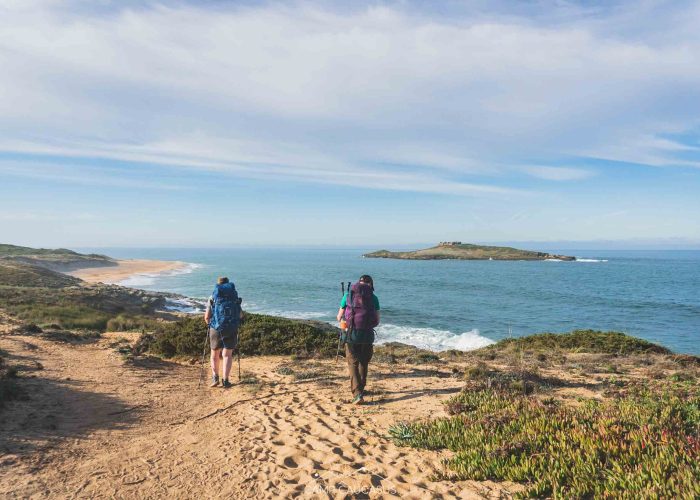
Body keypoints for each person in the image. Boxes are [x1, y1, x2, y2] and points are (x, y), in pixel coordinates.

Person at [336, 275, 380, 404]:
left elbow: (339, 317)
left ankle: (357, 393)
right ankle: (361, 389)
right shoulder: (374, 298)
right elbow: (376, 321)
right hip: (367, 335)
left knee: (352, 363)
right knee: (363, 363)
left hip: (351, 334)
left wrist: (345, 321)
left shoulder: (348, 296)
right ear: (371, 285)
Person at [204, 277, 242, 388]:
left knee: (214, 354)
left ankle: (215, 377)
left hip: (215, 328)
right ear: (229, 284)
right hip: (231, 327)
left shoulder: (213, 297)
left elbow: (207, 317)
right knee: (227, 355)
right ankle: (225, 380)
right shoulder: (234, 297)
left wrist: (210, 325)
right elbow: (240, 315)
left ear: (218, 285)